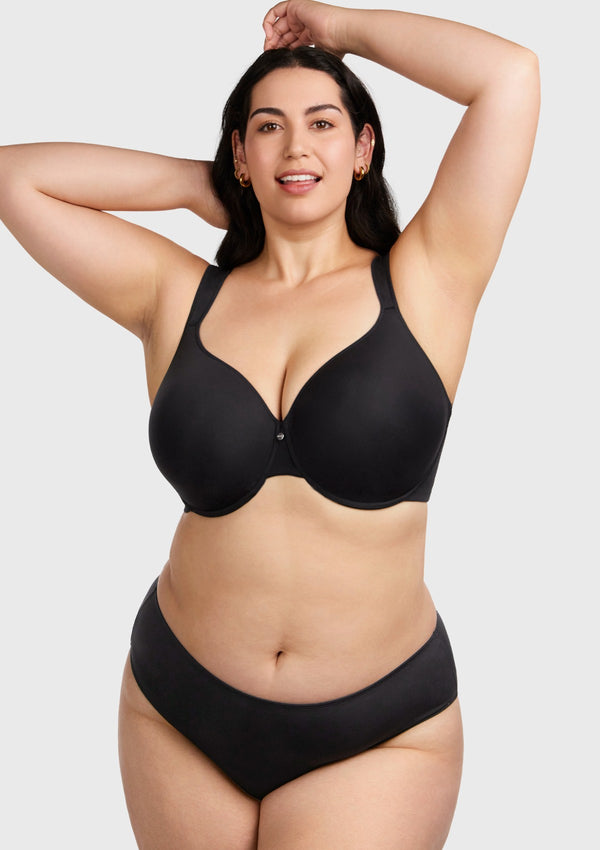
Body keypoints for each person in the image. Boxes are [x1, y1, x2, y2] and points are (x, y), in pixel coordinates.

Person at [0, 1, 540, 847]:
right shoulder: (175, 295)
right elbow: (13, 178)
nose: (296, 147)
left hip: (377, 729)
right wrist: (199, 187)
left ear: (363, 150)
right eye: (268, 128)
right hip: (178, 707)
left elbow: (509, 76)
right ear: (241, 155)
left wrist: (339, 29)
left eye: (323, 124)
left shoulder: (429, 280)